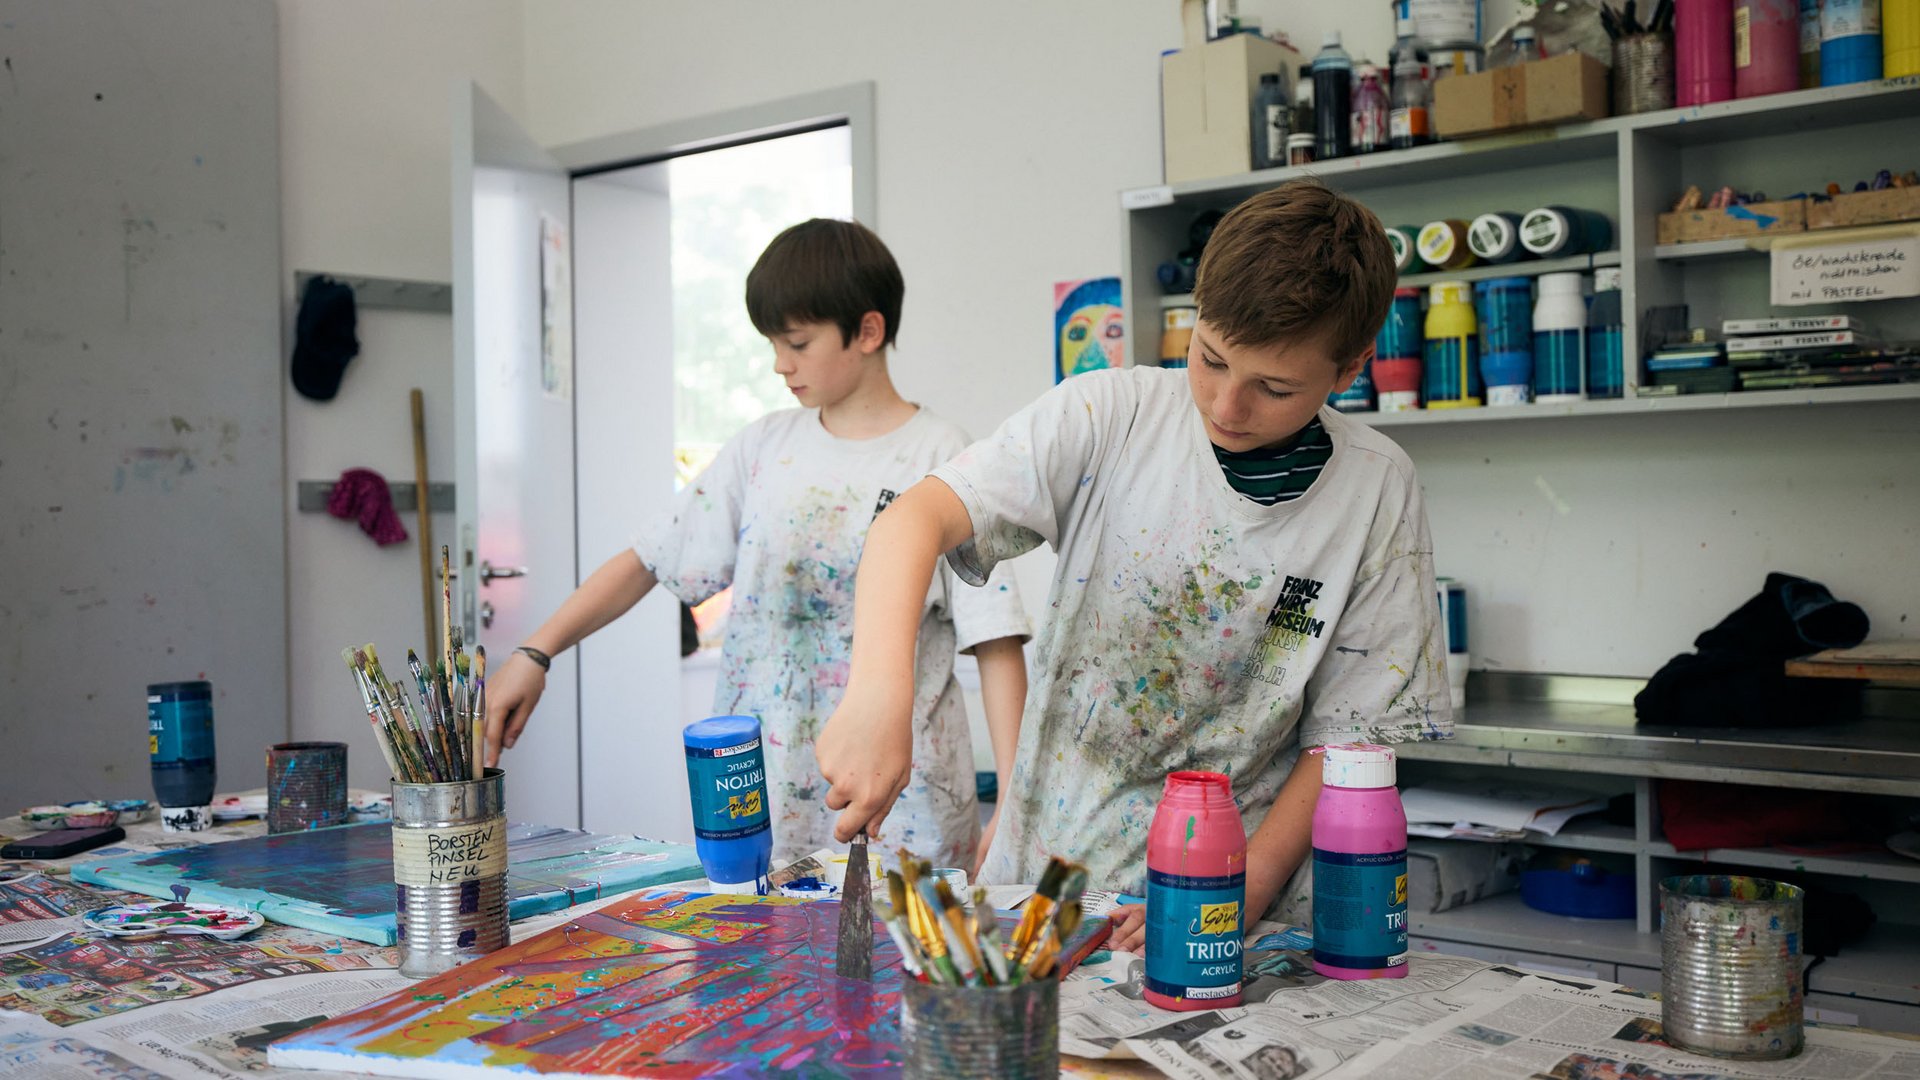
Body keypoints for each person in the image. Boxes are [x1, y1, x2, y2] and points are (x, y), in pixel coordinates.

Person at [814, 180, 1451, 947]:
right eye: (1210, 360)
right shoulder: (1109, 415)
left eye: (1274, 388)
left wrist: (1236, 895)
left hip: (1228, 893)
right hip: (1048, 880)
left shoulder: (1375, 488)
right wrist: (878, 696)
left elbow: (1347, 741)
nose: (1226, 407)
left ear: (1349, 369)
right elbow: (911, 522)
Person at [485, 218, 1032, 871]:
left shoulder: (942, 454)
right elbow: (649, 558)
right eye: (773, 343)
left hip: (899, 811)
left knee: (894, 940)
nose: (780, 363)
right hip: (759, 798)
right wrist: (536, 651)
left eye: (797, 342)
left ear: (868, 331)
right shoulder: (764, 449)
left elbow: (996, 639)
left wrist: (1013, 799)